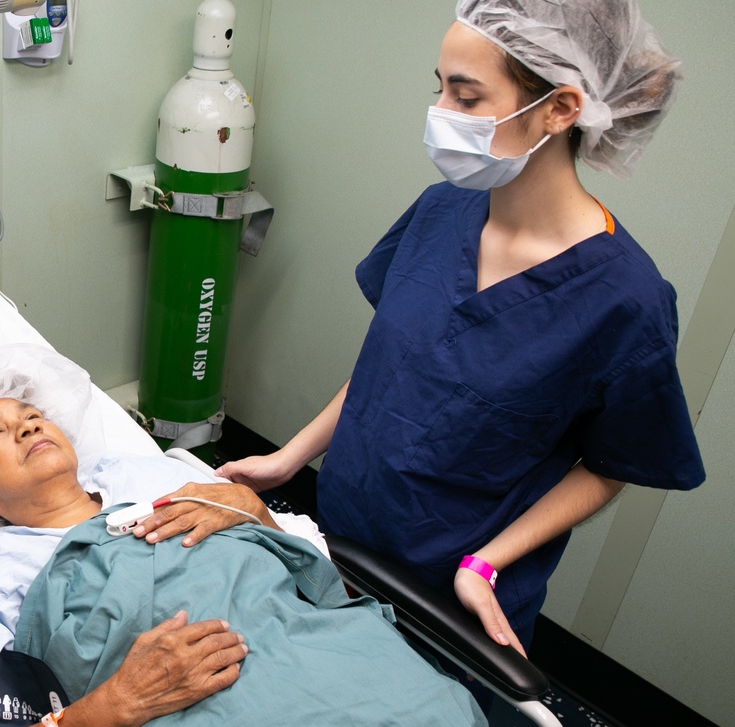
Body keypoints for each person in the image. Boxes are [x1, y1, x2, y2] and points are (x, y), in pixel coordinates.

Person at [216, 0, 705, 659]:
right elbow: (391, 361)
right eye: (440, 87)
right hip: (343, 534)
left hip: (455, 590)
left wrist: (488, 563)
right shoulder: (441, 211)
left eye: (467, 96)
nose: (441, 112)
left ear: (561, 109)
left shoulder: (625, 298)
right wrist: (289, 456)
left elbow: (611, 465)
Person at [0, 349, 561, 727]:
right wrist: (119, 702)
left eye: (31, 414)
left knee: (432, 717)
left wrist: (255, 514)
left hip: (357, 683)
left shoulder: (161, 477)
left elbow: (314, 579)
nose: (24, 424)